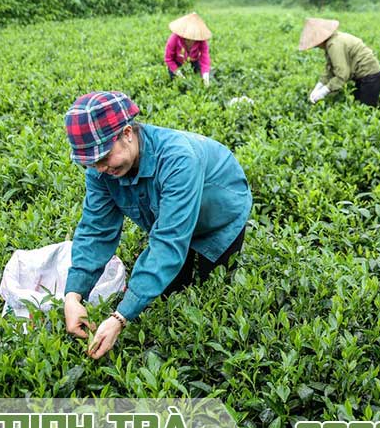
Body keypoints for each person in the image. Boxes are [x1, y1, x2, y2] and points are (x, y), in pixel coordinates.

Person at [62, 91, 252, 359]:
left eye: (104, 158)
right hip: (169, 217)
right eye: (92, 163)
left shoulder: (178, 159)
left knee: (215, 290)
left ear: (127, 133)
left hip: (219, 214)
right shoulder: (101, 171)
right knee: (170, 288)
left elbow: (168, 241)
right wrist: (73, 295)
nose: (100, 168)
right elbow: (96, 230)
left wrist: (119, 317)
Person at [299, 18, 380, 107]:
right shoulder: (333, 40)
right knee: (358, 107)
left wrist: (325, 90)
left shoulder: (334, 45)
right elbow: (330, 69)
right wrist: (319, 86)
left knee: (366, 110)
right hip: (365, 77)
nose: (316, 46)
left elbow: (342, 75)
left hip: (370, 77)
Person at [165, 12, 212, 86]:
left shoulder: (201, 40)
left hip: (193, 61)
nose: (191, 40)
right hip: (177, 63)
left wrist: (205, 76)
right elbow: (168, 59)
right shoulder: (174, 39)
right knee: (177, 82)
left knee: (201, 77)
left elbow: (204, 58)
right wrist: (179, 74)